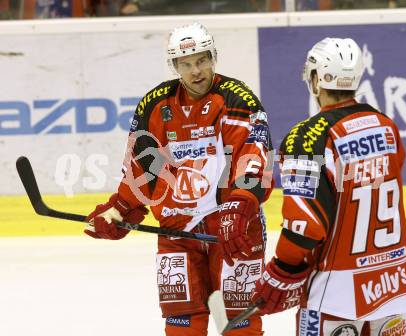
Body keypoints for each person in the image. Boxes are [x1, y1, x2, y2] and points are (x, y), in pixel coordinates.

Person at [84, 22, 273, 336]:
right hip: (176, 232)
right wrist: (120, 208)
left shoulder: (237, 99)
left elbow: (254, 158)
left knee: (239, 322)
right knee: (181, 323)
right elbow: (143, 168)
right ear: (174, 66)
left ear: (213, 57)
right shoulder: (156, 104)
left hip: (232, 229)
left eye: (201, 60)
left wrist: (240, 208)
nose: (195, 70)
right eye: (185, 64)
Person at [251, 37, 406, 335]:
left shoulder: (306, 138)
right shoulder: (386, 125)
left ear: (315, 79)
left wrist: (282, 269)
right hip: (394, 283)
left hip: (335, 294)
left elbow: (305, 227)